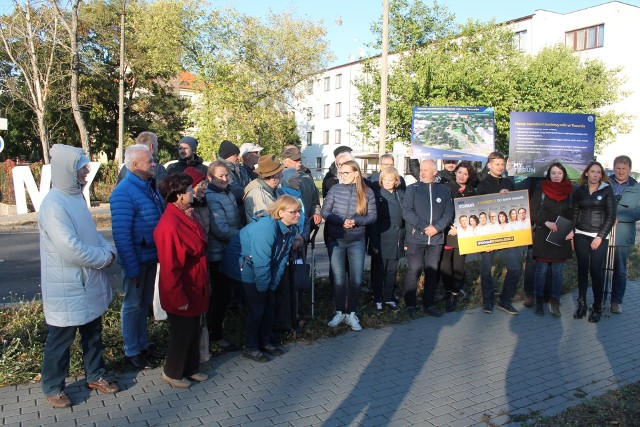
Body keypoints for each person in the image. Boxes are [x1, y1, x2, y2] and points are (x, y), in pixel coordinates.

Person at [39, 144, 119, 408]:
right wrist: (103, 258)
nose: (87, 171)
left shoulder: (76, 198)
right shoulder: (53, 204)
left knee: (93, 334)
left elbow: (90, 234)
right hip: (68, 286)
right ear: (67, 171)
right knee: (60, 341)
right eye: (81, 167)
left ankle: (95, 375)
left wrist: (107, 249)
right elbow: (70, 248)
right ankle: (53, 386)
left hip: (87, 283)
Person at [219, 195, 301, 362]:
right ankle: (251, 347)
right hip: (242, 266)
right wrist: (264, 288)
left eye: (298, 211)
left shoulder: (290, 229)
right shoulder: (266, 227)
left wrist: (272, 285)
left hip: (259, 266)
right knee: (258, 306)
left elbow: (282, 260)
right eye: (293, 212)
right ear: (280, 212)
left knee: (269, 303)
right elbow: (261, 262)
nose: (298, 215)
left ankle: (265, 341)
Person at [110, 144, 165, 369]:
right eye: (149, 161)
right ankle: (132, 351)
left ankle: (142, 345)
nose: (154, 164)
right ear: (134, 165)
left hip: (150, 256)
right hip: (137, 259)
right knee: (133, 305)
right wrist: (132, 268)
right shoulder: (124, 192)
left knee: (143, 304)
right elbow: (122, 235)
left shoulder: (147, 185)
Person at [154, 174, 209, 388]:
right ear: (178, 196)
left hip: (194, 282)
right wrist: (177, 297)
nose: (192, 192)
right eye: (188, 190)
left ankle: (191, 368)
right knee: (182, 332)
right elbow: (170, 267)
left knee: (193, 328)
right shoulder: (169, 224)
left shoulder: (185, 214)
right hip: (182, 286)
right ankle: (173, 372)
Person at [322, 160, 377, 330]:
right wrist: (340, 222)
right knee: (339, 279)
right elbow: (325, 211)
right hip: (336, 240)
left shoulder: (367, 192)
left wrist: (356, 221)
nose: (342, 176)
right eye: (341, 173)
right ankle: (339, 312)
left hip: (356, 240)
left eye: (346, 173)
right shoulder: (335, 189)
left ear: (356, 173)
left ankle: (352, 313)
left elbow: (373, 216)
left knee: (356, 279)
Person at [402, 159, 454, 317]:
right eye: (421, 170)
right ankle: (410, 304)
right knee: (415, 270)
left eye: (426, 170)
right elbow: (407, 212)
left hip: (436, 240)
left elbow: (449, 212)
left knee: (432, 272)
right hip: (416, 238)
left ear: (434, 172)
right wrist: (424, 228)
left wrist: (437, 228)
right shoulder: (413, 189)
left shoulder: (444, 190)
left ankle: (429, 304)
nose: (422, 172)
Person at [476, 152, 522, 315]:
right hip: (488, 233)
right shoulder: (482, 185)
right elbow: (479, 210)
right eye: (497, 164)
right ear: (489, 165)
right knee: (486, 270)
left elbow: (515, 206)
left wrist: (510, 197)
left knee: (515, 268)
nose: (500, 167)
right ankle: (488, 302)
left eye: (502, 164)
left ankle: (505, 300)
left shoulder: (509, 183)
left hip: (506, 232)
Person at [204, 161, 243, 351]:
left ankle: (220, 330)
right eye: (220, 176)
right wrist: (244, 235)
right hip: (218, 253)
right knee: (220, 294)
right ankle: (214, 333)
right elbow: (220, 229)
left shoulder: (226, 192)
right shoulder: (211, 197)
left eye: (227, 175)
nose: (225, 179)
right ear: (210, 178)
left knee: (227, 293)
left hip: (230, 250)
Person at [572, 161, 616, 323]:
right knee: (582, 269)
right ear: (586, 173)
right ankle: (582, 304)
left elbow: (611, 216)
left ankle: (597, 306)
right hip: (580, 234)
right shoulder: (580, 191)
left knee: (596, 271)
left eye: (598, 172)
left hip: (599, 237)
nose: (595, 174)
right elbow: (575, 211)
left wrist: (600, 236)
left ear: (601, 174)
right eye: (592, 172)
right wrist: (572, 229)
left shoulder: (606, 190)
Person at [530, 162, 574, 317]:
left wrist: (572, 230)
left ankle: (555, 302)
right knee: (541, 271)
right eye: (553, 173)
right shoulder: (541, 189)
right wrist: (545, 222)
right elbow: (532, 212)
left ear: (564, 175)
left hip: (561, 236)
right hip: (543, 235)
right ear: (549, 174)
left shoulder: (570, 191)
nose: (556, 176)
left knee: (557, 272)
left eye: (559, 173)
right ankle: (539, 302)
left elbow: (574, 214)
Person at [367, 166, 405, 311]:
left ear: (396, 181)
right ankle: (377, 298)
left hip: (396, 238)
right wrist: (374, 242)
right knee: (379, 271)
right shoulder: (377, 196)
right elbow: (373, 221)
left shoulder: (401, 195)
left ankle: (388, 297)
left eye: (391, 179)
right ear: (381, 180)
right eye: (385, 179)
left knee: (391, 271)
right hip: (381, 239)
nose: (388, 182)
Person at [440, 161, 476, 312]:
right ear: (455, 172)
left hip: (463, 234)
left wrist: (460, 229)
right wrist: (450, 227)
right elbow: (441, 210)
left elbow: (474, 214)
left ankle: (455, 294)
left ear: (469, 176)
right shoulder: (447, 188)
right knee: (444, 266)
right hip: (449, 232)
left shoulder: (472, 192)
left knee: (458, 266)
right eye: (460, 172)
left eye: (465, 174)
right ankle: (448, 290)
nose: (462, 176)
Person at [609, 155, 640, 314]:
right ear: (614, 168)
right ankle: (599, 300)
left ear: (629, 170)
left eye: (624, 169)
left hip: (623, 234)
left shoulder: (637, 187)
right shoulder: (605, 183)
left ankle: (616, 301)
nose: (620, 171)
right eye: (618, 168)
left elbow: (638, 211)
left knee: (619, 269)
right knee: (600, 268)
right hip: (603, 233)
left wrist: (619, 217)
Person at [218, 140, 251, 208]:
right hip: (233, 208)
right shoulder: (221, 170)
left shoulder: (240, 169)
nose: (239, 158)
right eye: (236, 155)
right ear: (227, 156)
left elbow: (251, 183)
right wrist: (251, 191)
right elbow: (235, 191)